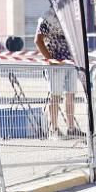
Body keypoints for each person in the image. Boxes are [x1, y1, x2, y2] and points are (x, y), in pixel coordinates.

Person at [34, 9, 81, 138]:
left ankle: (71, 128)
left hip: (70, 61)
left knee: (70, 95)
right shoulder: (47, 18)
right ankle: (54, 129)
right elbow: (38, 40)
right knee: (55, 96)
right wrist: (50, 59)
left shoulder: (69, 18)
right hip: (55, 63)